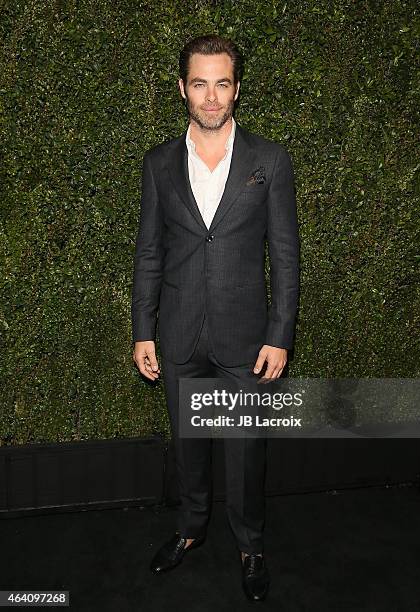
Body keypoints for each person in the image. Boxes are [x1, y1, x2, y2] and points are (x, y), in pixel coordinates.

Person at [131, 34, 299, 601]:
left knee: (247, 449)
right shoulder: (158, 164)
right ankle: (191, 529)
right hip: (179, 334)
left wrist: (280, 335)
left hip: (246, 338)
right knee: (190, 446)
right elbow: (149, 253)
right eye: (199, 83)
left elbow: (286, 253)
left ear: (236, 90)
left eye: (221, 84)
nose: (210, 96)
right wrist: (144, 329)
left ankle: (251, 545)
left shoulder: (268, 161)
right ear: (183, 88)